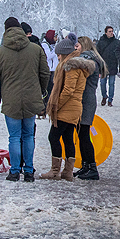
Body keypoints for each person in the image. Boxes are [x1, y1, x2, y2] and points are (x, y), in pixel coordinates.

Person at [0, 21, 49, 182]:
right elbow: (45, 73)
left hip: (11, 100)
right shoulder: (36, 50)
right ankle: (28, 170)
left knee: (14, 137)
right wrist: (41, 90)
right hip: (31, 99)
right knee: (28, 135)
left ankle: (14, 171)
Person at [39, 33, 95, 181]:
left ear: (65, 54)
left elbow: (68, 90)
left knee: (53, 136)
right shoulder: (75, 65)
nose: (57, 57)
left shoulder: (71, 67)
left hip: (68, 108)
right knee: (68, 137)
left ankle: (55, 170)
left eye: (59, 54)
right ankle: (67, 172)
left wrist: (56, 105)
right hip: (74, 107)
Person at [74, 36, 106, 180]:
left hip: (86, 100)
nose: (76, 47)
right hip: (84, 99)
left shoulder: (89, 62)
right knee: (81, 134)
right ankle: (86, 166)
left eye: (78, 45)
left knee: (84, 135)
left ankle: (92, 168)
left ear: (84, 45)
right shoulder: (88, 59)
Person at [96, 26, 119, 107]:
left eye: (112, 31)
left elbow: (118, 53)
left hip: (113, 64)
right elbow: (97, 53)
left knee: (111, 83)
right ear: (106, 32)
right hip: (103, 65)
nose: (111, 33)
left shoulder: (116, 42)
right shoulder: (101, 42)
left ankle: (110, 100)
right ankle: (104, 96)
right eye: (109, 31)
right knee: (102, 83)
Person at [42, 29, 59, 105]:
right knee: (49, 89)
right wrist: (55, 50)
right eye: (55, 37)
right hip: (49, 70)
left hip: (54, 70)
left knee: (53, 89)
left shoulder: (52, 45)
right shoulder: (45, 45)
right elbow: (48, 56)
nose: (56, 39)